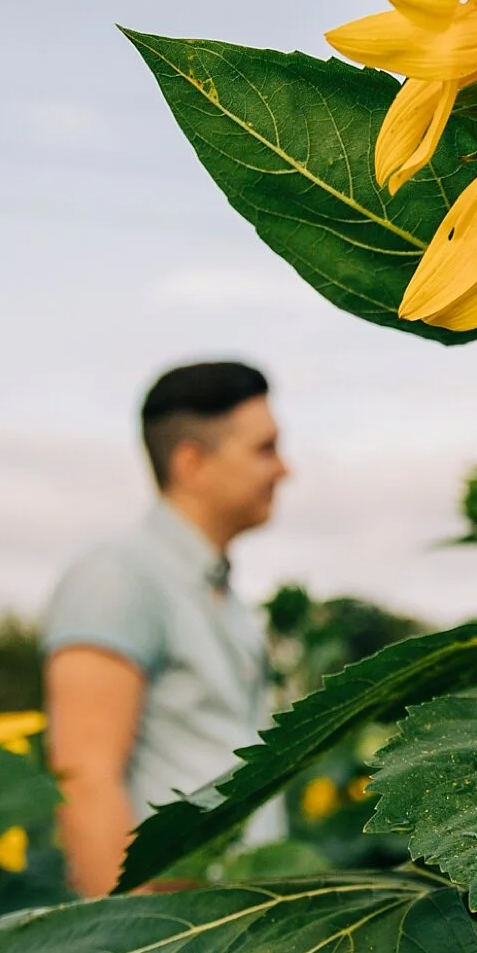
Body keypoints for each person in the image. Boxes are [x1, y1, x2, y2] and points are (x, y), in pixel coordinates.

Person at [41, 361, 290, 897]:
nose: (284, 470)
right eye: (265, 449)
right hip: (179, 943)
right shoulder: (118, 579)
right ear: (192, 463)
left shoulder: (218, 594)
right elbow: (85, 780)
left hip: (231, 929)